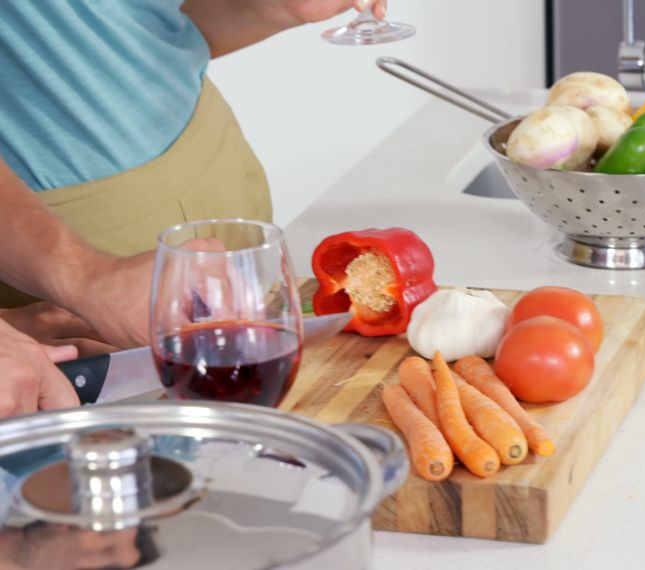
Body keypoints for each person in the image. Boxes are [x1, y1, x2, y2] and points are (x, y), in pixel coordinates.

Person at [0, 0, 388, 418]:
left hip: (216, 185)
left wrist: (265, 11)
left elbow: (128, 36)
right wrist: (84, 274)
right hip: (61, 250)